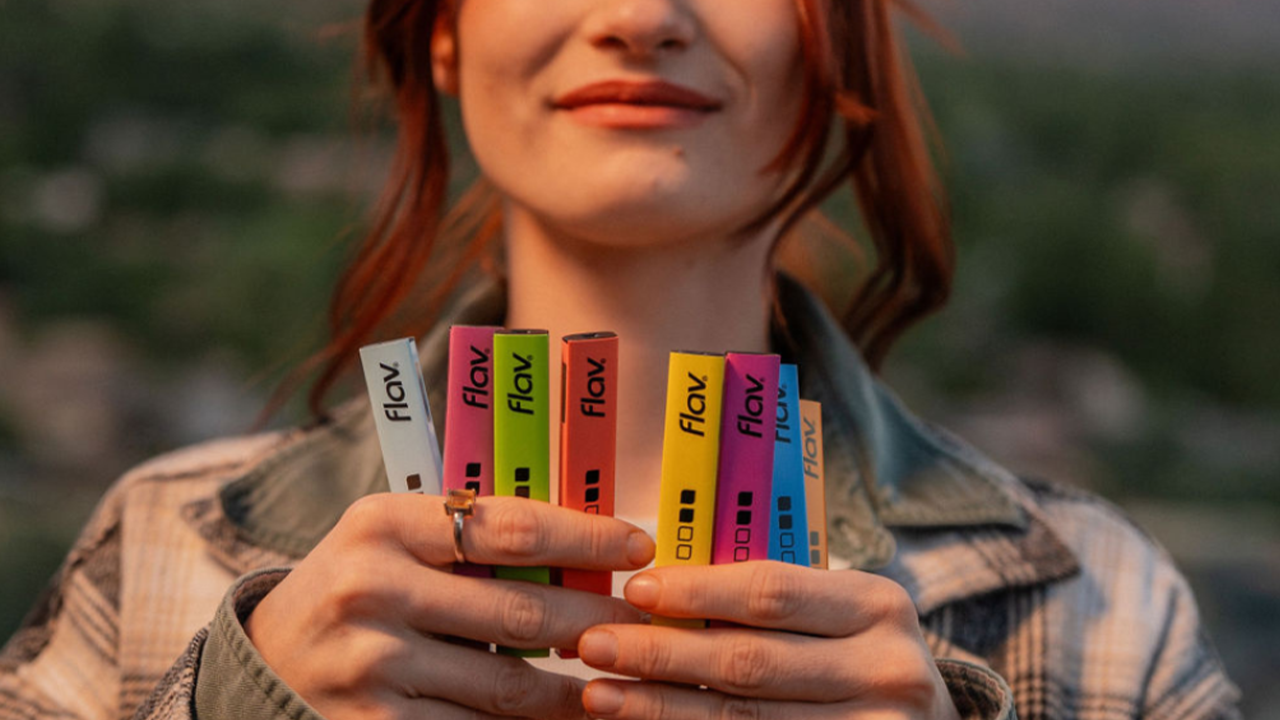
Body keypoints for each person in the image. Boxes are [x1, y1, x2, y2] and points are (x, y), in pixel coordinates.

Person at [0, 0, 1242, 718]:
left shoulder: (1096, 607)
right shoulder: (163, 542)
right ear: (442, 32)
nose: (642, 16)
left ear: (839, 40)